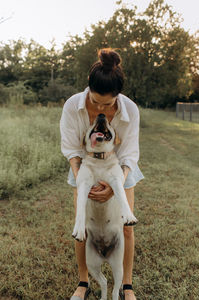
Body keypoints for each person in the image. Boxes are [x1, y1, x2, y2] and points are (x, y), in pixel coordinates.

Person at [60, 48, 144, 300]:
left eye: (107, 104)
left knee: (126, 228)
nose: (101, 107)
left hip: (119, 168)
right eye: (96, 102)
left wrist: (112, 183)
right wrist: (81, 176)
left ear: (118, 97)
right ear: (88, 88)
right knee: (82, 224)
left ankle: (126, 287)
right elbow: (72, 149)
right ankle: (83, 283)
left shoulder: (130, 109)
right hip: (85, 166)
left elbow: (129, 152)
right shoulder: (72, 106)